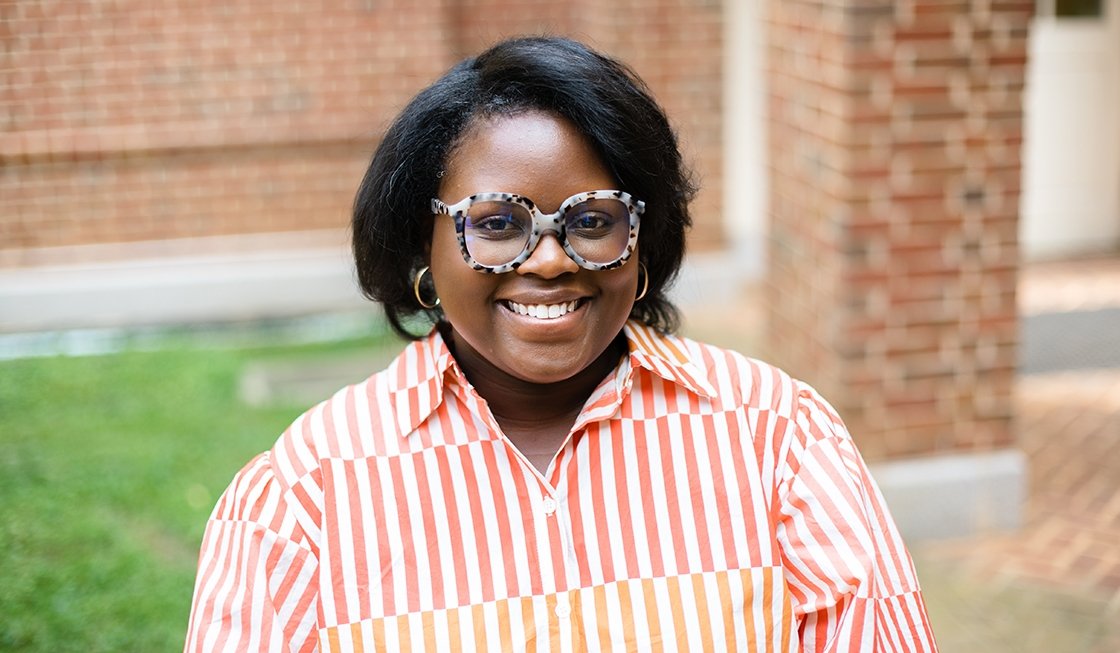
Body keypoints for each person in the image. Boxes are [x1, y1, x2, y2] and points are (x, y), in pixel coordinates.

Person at [186, 36, 938, 652]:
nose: (550, 259)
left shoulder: (781, 437)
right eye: (496, 222)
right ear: (425, 242)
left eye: (591, 219)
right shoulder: (299, 499)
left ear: (643, 240)